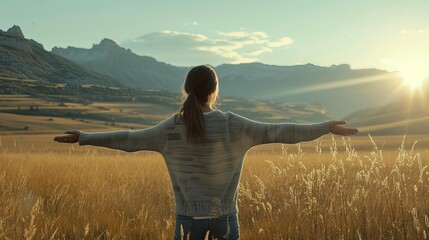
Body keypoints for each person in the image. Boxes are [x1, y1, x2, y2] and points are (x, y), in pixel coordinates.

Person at [54, 64, 358, 240]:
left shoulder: (170, 129)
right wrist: (324, 126)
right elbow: (280, 131)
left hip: (187, 221)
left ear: (187, 90)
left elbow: (129, 140)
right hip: (226, 220)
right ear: (213, 92)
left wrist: (86, 137)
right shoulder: (233, 125)